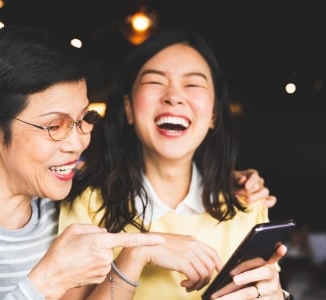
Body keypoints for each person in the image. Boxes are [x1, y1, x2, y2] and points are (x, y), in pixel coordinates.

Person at [0, 25, 171, 299]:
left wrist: (136, 255)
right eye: (54, 126)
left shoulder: (71, 212)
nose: (77, 144)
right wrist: (47, 279)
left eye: (85, 119)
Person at [59, 29, 291, 300]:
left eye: (193, 85)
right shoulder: (88, 206)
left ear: (214, 113)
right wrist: (136, 255)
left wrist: (278, 296)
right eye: (155, 82)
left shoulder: (247, 205)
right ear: (129, 109)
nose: (174, 96)